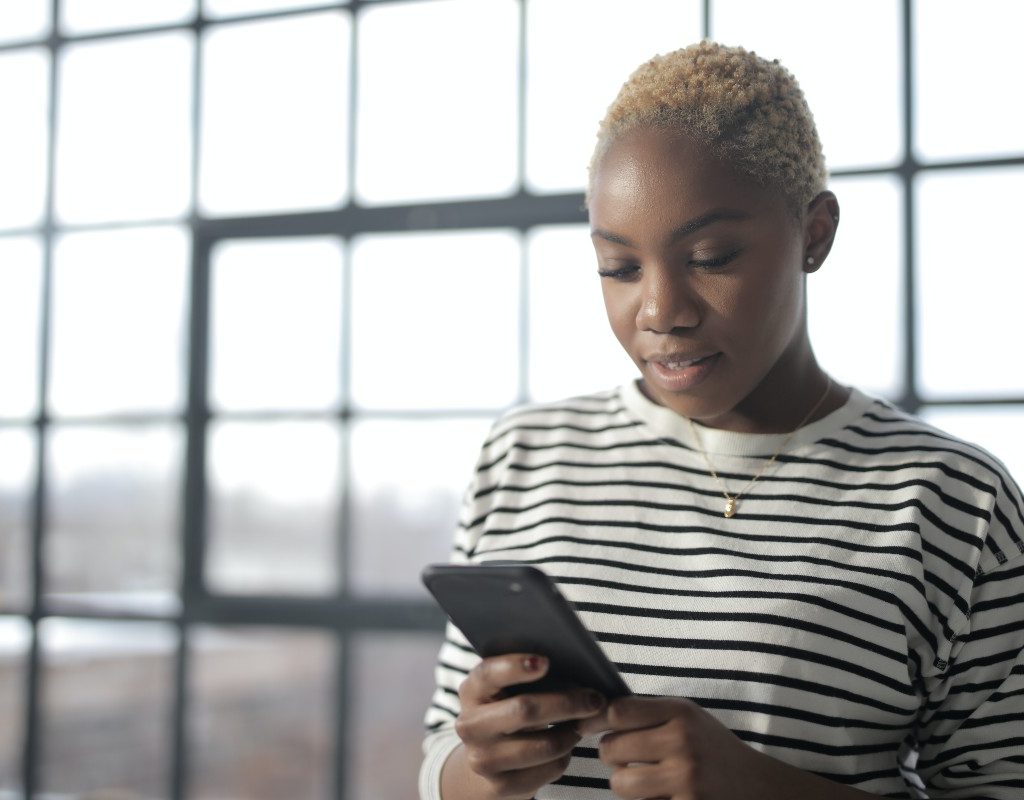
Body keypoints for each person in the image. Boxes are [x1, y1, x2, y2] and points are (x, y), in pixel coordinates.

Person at [419, 40, 1024, 800]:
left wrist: (765, 789)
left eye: (710, 256)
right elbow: (444, 743)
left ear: (814, 234)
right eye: (619, 267)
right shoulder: (526, 453)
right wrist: (479, 768)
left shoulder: (953, 500)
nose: (660, 312)